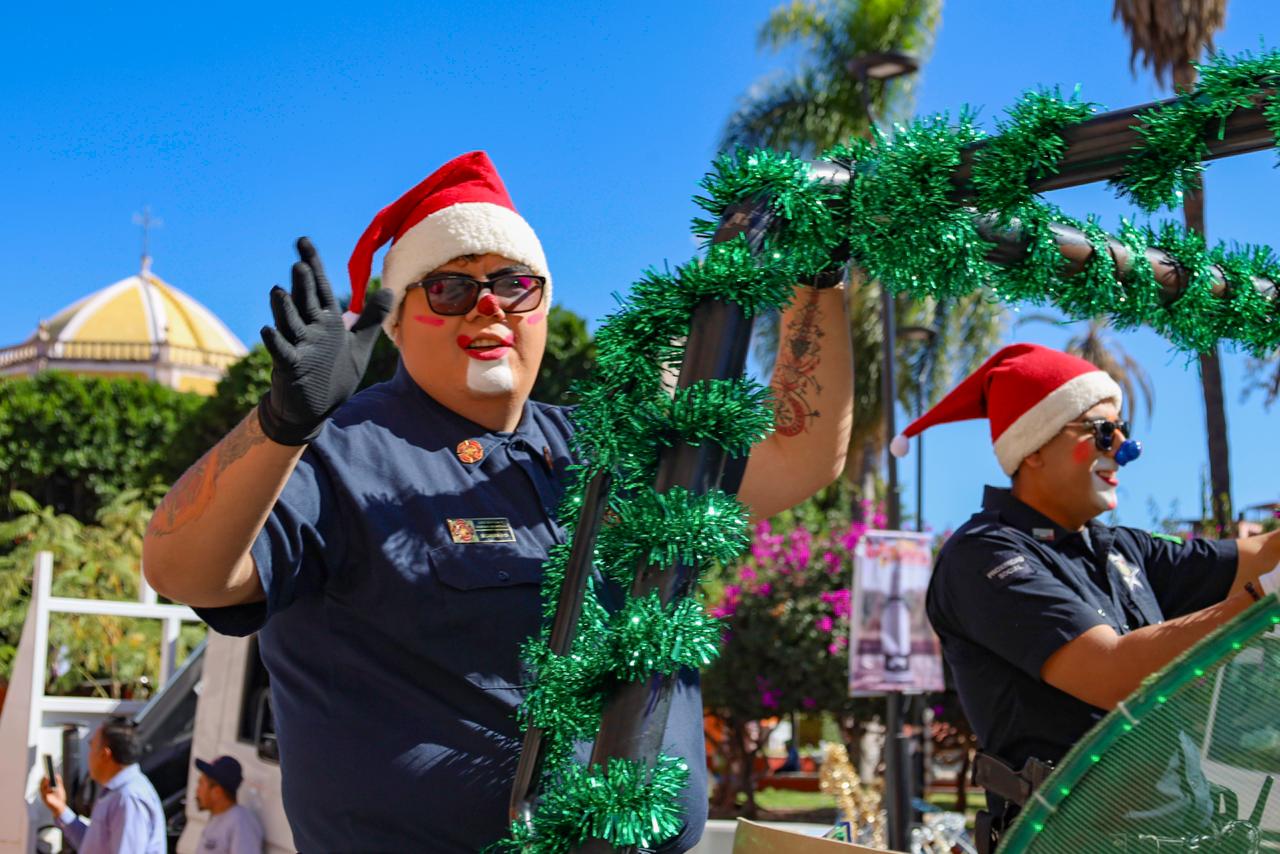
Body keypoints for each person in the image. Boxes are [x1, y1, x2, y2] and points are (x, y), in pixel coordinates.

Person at [141, 151, 854, 851]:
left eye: (515, 284)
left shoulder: (610, 441)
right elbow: (183, 571)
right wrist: (282, 422)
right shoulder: (338, 452)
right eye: (448, 288)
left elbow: (798, 458)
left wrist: (818, 275)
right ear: (396, 320)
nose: (488, 306)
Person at [896, 343, 1280, 843]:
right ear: (1032, 447)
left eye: (1124, 431)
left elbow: (1262, 554)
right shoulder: (983, 555)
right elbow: (1111, 671)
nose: (1125, 448)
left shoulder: (1121, 548)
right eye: (1103, 431)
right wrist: (1264, 595)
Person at [39, 715, 165, 854]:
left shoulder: (128, 797)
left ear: (105, 755)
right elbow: (95, 846)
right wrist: (60, 809)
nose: (89, 755)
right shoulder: (119, 792)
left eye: (91, 746)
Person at [193, 755, 264, 854]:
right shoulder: (218, 817)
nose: (197, 791)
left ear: (217, 792)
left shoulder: (241, 823)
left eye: (201, 784)